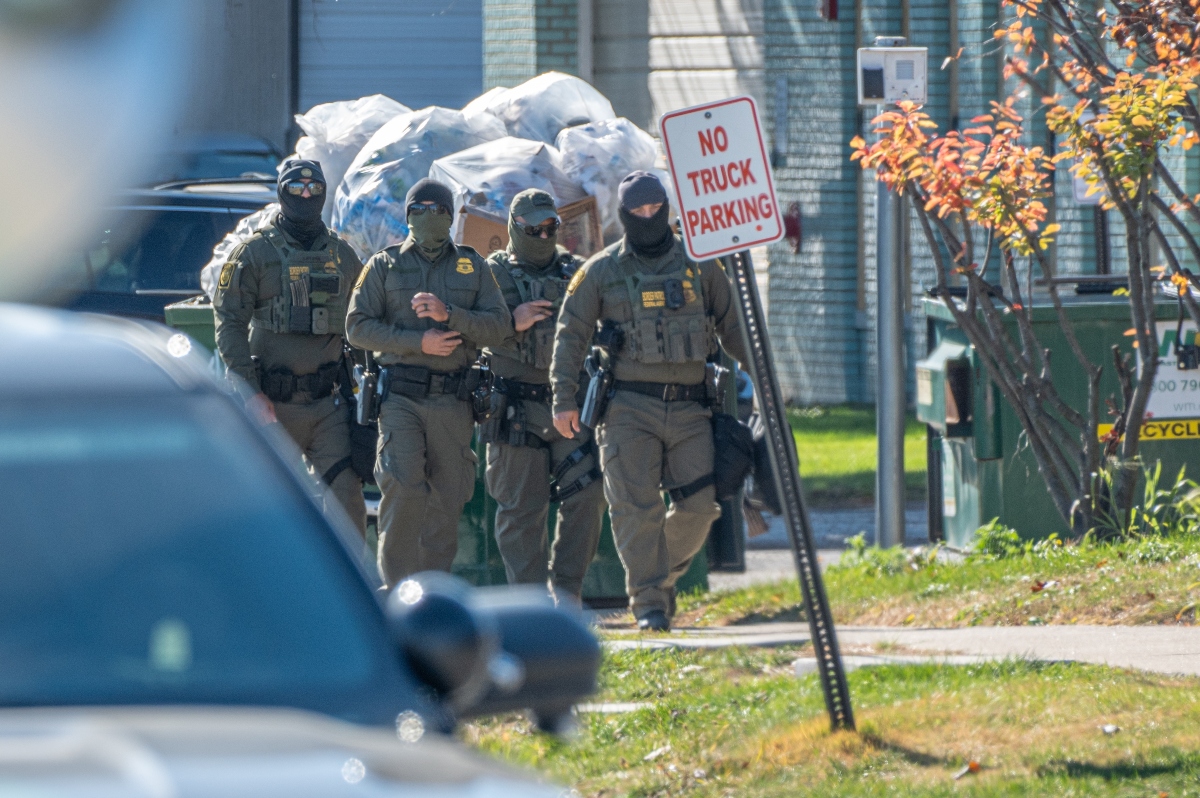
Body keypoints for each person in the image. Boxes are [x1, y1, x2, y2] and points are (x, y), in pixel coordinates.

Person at [549, 171, 750, 631]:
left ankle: (656, 576)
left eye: (654, 209)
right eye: (636, 211)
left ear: (667, 209)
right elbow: (570, 336)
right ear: (623, 214)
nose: (647, 217)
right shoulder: (601, 270)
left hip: (691, 407)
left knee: (701, 507)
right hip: (626, 409)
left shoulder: (700, 266)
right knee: (636, 511)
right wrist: (563, 398)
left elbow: (735, 328)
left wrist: (766, 380)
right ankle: (650, 606)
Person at [346, 178, 510, 585]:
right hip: (400, 397)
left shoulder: (473, 266)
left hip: (454, 400)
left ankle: (433, 592)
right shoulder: (384, 265)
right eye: (417, 211)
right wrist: (418, 341)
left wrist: (449, 314)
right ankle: (398, 590)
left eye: (437, 211)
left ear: (451, 217)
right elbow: (356, 327)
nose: (427, 218)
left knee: (447, 498)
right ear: (407, 217)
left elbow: (499, 327)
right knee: (402, 488)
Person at [213, 159, 367, 533]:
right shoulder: (253, 254)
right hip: (271, 406)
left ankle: (343, 591)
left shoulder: (342, 256)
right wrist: (249, 392)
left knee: (348, 503)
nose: (305, 195)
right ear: (282, 192)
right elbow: (229, 322)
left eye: (314, 188)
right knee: (264, 509)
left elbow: (362, 324)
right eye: (296, 188)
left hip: (327, 406)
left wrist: (369, 388)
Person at [482, 189, 607, 602]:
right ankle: (532, 604)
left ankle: (567, 593)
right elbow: (464, 329)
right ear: (513, 228)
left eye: (550, 227)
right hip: (514, 408)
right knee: (521, 513)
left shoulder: (577, 272)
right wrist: (509, 322)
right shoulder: (491, 274)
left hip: (565, 405)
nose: (542, 234)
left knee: (588, 495)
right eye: (532, 228)